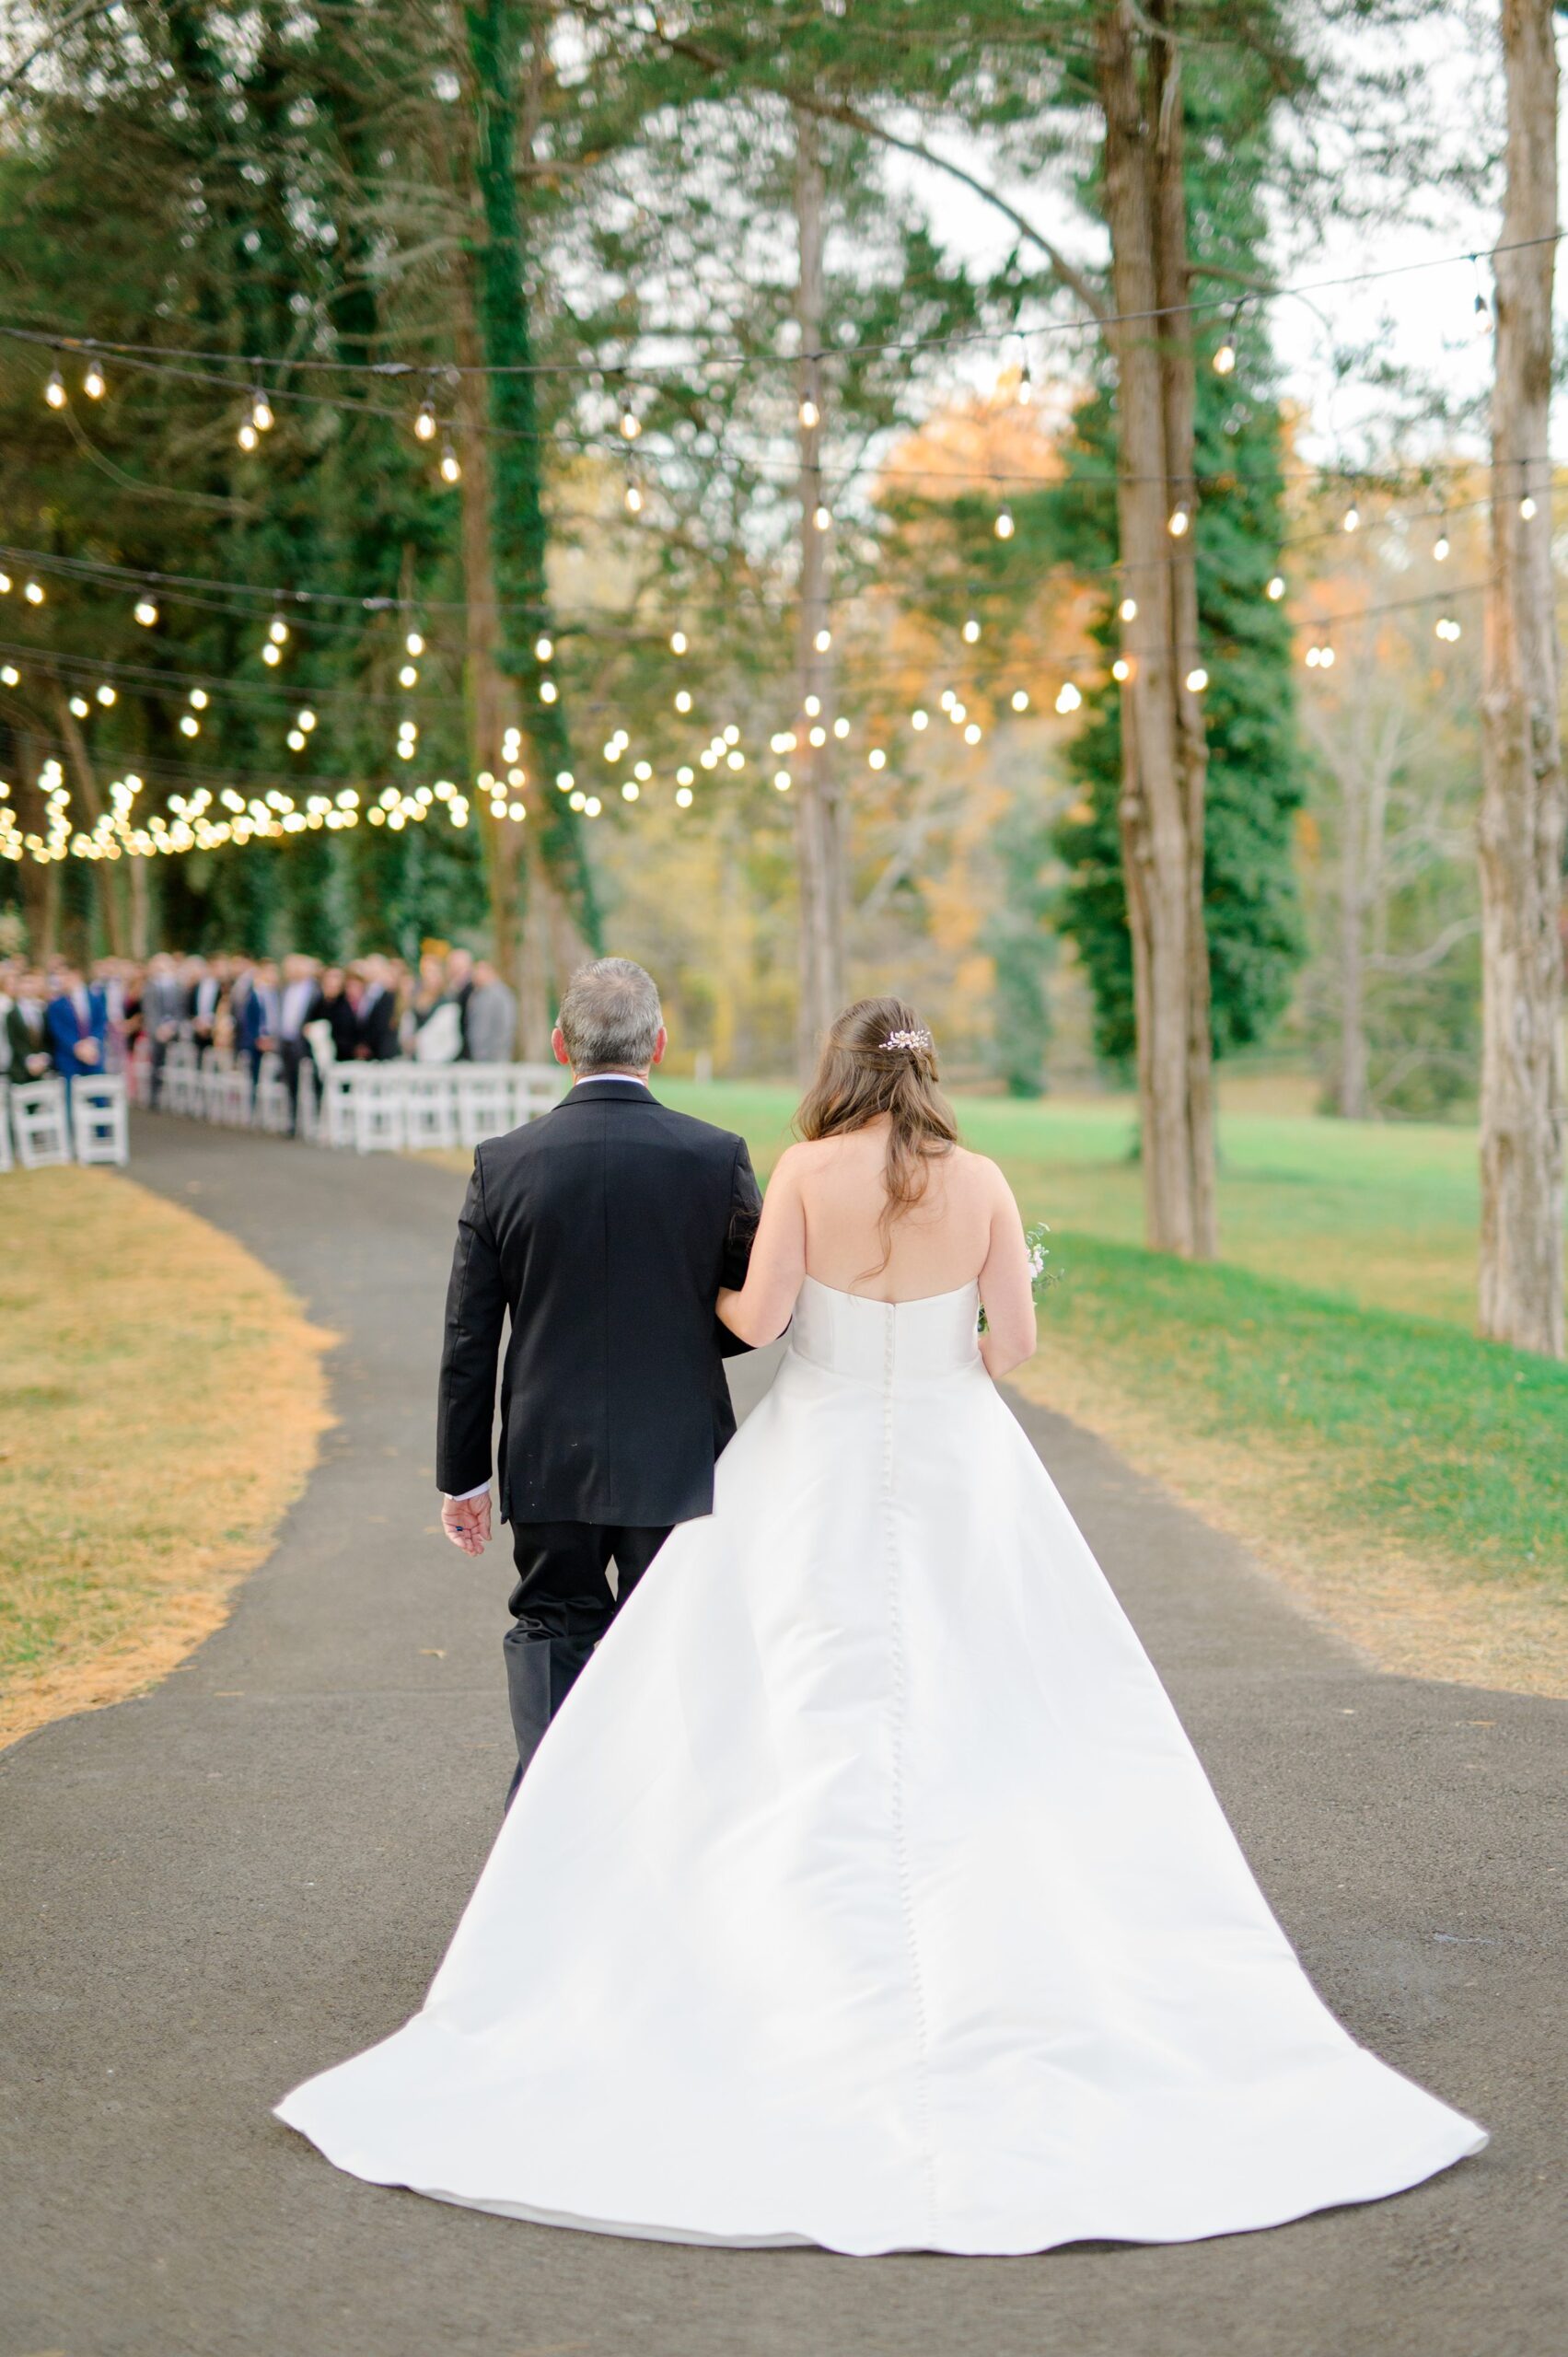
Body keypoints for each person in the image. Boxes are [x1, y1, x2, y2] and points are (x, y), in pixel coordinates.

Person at [277, 992, 1485, 2255]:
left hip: (821, 1452)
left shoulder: (802, 1168)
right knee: (1003, 1697)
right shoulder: (982, 1180)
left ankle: (745, 1943)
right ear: (928, 1073)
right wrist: (966, 1303)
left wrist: (747, 1302)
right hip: (964, 1464)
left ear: (837, 1072)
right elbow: (1010, 1352)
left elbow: (752, 1320)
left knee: (783, 1697)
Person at [435, 955, 760, 1787]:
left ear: (558, 1045)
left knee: (551, 1628)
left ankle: (551, 1810)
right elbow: (757, 1310)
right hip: (678, 1452)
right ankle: (668, 1807)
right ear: (657, 1044)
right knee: (672, 1631)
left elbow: (471, 1335)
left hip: (549, 1450)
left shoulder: (503, 1162)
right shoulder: (714, 1156)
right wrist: (680, 1340)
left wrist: (463, 1477)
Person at [44, 965, 108, 1085]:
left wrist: (92, 1043)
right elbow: (58, 1030)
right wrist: (77, 1047)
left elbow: (101, 1023)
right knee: (72, 1096)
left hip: (93, 1055)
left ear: (76, 975)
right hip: (69, 1059)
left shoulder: (95, 999)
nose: (61, 980)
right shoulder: (55, 1005)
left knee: (96, 1091)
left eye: (64, 975)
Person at [463, 957, 517, 1065]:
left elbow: (505, 1026)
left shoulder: (502, 995)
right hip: (478, 1057)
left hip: (495, 1058)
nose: (476, 975)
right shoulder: (478, 994)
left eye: (479, 970)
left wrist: (496, 1053)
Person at [5, 970, 52, 1083]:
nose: (28, 986)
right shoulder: (11, 1014)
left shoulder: (43, 1010)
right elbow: (14, 1042)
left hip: (42, 1070)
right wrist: (29, 1061)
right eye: (25, 982)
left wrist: (43, 1059)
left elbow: (47, 1039)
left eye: (31, 983)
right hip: (20, 1071)